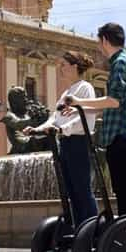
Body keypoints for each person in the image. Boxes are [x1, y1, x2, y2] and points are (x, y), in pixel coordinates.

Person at [64, 22, 126, 216]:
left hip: (121, 136)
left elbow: (114, 101)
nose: (99, 47)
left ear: (105, 40)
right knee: (123, 188)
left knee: (124, 189)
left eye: (99, 42)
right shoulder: (124, 62)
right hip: (122, 135)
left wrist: (80, 102)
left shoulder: (120, 63)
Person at [23, 51, 99, 227]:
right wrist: (37, 129)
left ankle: (91, 229)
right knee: (70, 191)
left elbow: (86, 118)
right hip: (64, 144)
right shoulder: (66, 93)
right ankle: (77, 228)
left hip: (79, 143)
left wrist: (63, 129)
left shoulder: (85, 88)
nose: (61, 69)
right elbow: (54, 118)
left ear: (74, 67)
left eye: (63, 65)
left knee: (82, 189)